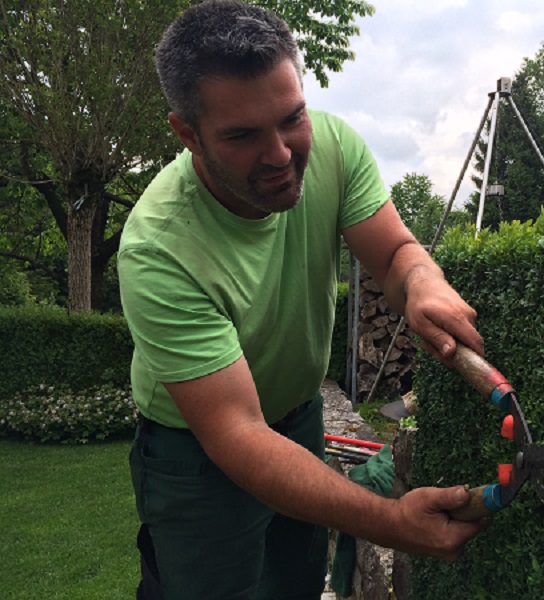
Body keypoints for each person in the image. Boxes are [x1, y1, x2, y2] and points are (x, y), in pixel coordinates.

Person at [117, 1, 487, 598]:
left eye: (292, 118)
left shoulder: (336, 148)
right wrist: (393, 521)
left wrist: (423, 282)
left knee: (295, 583)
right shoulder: (158, 246)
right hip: (194, 456)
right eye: (242, 135)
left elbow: (394, 254)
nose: (281, 154)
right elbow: (236, 432)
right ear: (187, 134)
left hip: (298, 416)